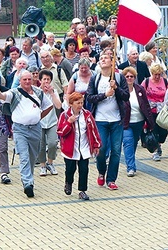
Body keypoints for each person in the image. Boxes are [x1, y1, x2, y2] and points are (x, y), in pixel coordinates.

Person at [0, 71, 53, 198]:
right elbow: (2, 96)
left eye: (29, 79)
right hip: (20, 129)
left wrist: (38, 117)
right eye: (24, 79)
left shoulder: (38, 92)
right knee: (24, 155)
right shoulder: (14, 92)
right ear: (20, 80)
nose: (27, 82)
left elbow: (49, 106)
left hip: (35, 129)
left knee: (32, 157)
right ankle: (27, 183)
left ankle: (29, 178)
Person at [86, 52, 129, 190]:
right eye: (101, 59)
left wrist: (116, 88)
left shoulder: (119, 77)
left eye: (106, 58)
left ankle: (111, 179)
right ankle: (101, 171)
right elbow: (89, 97)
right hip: (100, 119)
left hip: (116, 120)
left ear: (112, 62)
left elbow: (126, 96)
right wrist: (104, 95)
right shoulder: (95, 78)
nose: (103, 60)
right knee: (101, 149)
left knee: (116, 151)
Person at [57, 92, 102, 200]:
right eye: (78, 103)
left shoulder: (87, 115)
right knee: (70, 169)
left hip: (84, 148)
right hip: (70, 149)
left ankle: (82, 190)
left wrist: (96, 145)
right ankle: (68, 183)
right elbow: (60, 132)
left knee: (84, 169)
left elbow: (94, 130)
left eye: (82, 102)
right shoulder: (65, 115)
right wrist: (69, 122)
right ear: (71, 104)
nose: (80, 105)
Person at [122, 67, 154, 177]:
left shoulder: (140, 89)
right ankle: (130, 167)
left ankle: (131, 161)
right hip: (126, 122)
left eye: (132, 76)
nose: (129, 78)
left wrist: (150, 122)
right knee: (128, 142)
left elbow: (146, 106)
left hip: (139, 122)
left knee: (134, 142)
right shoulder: (121, 91)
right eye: (127, 76)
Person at [141, 64, 168, 161]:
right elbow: (141, 94)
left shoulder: (165, 82)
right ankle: (156, 149)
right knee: (153, 130)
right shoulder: (147, 81)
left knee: (163, 131)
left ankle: (159, 143)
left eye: (159, 74)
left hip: (162, 110)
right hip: (151, 110)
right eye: (155, 74)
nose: (157, 77)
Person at [38, 70, 62, 176]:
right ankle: (42, 165)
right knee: (41, 145)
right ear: (40, 80)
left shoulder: (54, 91)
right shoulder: (36, 92)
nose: (46, 82)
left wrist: (52, 93)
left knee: (53, 143)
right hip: (40, 122)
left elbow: (59, 106)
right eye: (44, 79)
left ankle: (50, 162)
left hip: (52, 122)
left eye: (48, 79)